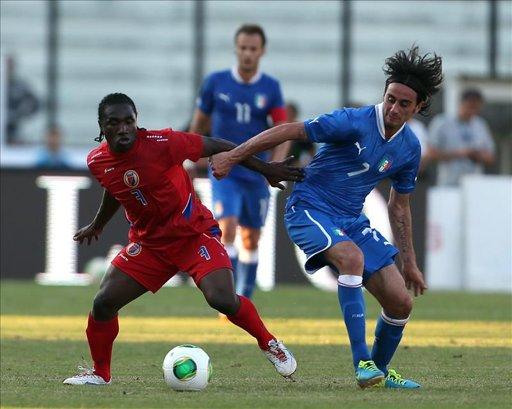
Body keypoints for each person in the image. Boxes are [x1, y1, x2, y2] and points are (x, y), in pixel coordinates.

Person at [210, 46, 444, 389]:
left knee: (400, 301)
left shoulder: (409, 147)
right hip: (308, 207)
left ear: (419, 106)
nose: (394, 108)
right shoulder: (353, 121)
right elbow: (291, 129)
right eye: (390, 98)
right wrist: (233, 155)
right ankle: (361, 360)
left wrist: (410, 263)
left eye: (404, 103)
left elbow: (398, 206)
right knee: (351, 258)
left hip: (351, 220)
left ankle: (377, 373)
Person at [63, 93, 301, 385]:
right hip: (151, 245)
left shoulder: (163, 143)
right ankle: (101, 374)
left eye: (129, 121)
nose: (123, 128)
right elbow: (116, 188)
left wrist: (267, 170)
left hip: (193, 235)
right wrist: (97, 224)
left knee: (221, 299)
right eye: (114, 123)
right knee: (103, 304)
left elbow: (218, 144)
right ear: (102, 127)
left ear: (137, 123)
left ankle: (269, 343)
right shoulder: (97, 161)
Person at [189, 24, 289, 301]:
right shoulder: (215, 82)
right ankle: (228, 296)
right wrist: (191, 153)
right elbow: (199, 122)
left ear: (262, 51)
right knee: (227, 226)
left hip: (256, 171)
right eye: (243, 48)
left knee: (251, 238)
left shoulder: (270, 88)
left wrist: (276, 165)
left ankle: (245, 295)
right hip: (225, 169)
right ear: (236, 49)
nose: (247, 54)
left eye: (253, 49)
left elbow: (283, 130)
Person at [426, 88, 495, 186]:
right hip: (447, 184)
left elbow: (490, 157)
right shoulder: (442, 123)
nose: (472, 111)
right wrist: (458, 153)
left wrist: (476, 155)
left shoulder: (481, 125)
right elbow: (430, 153)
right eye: (470, 106)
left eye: (476, 107)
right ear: (461, 103)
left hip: (474, 184)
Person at [5, 55, 40, 144]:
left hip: (13, 130)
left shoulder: (20, 86)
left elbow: (35, 103)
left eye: (10, 66)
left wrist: (18, 114)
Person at [287, 102, 316, 167]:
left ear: (294, 114)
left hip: (293, 166)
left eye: (289, 113)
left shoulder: (300, 131)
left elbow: (312, 151)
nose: (287, 115)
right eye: (285, 112)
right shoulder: (276, 129)